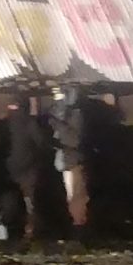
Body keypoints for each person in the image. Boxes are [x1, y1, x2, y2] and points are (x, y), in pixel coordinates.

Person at [0, 92, 51, 244]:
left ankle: (6, 230)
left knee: (8, 201)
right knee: (30, 202)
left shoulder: (4, 124)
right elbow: (41, 143)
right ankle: (30, 231)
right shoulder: (29, 123)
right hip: (28, 169)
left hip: (9, 169)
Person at [46, 83, 96, 240]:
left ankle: (79, 226)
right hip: (68, 160)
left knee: (76, 195)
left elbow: (73, 138)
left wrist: (57, 124)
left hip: (72, 160)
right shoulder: (66, 114)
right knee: (73, 194)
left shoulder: (76, 114)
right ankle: (77, 225)